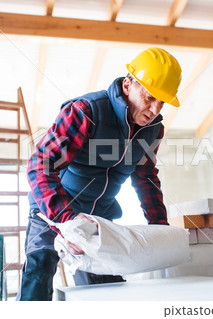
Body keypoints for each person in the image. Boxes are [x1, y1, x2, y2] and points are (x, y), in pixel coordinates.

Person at [16, 47, 182, 301]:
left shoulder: (152, 131)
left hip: (98, 221)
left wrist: (160, 228)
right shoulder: (86, 112)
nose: (154, 109)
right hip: (53, 211)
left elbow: (146, 178)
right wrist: (68, 221)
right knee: (38, 275)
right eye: (150, 97)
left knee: (107, 294)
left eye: (162, 103)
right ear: (128, 85)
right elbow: (41, 164)